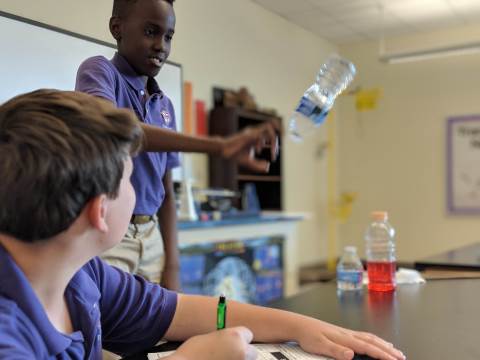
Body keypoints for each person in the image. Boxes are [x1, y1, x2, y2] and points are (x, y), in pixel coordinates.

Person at [0, 89, 405, 360]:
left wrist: (301, 326)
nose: (137, 190)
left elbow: (186, 311)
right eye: (128, 179)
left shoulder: (80, 274)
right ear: (99, 210)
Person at [75, 0, 279, 290]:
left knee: (155, 330)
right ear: (116, 28)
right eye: (150, 31)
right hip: (110, 236)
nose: (161, 45)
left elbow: (166, 192)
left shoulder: (165, 106)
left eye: (168, 36)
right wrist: (218, 146)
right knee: (108, 325)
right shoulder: (99, 72)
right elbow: (114, 130)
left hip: (153, 236)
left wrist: (172, 265)